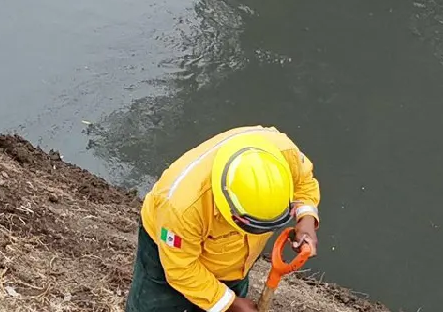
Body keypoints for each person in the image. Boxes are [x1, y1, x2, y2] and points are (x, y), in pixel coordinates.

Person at [129, 127, 321, 312]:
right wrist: (231, 303)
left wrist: (306, 218)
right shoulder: (182, 207)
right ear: (228, 206)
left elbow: (304, 182)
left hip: (232, 260)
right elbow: (181, 269)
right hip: (170, 248)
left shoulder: (284, 155)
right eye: (253, 227)